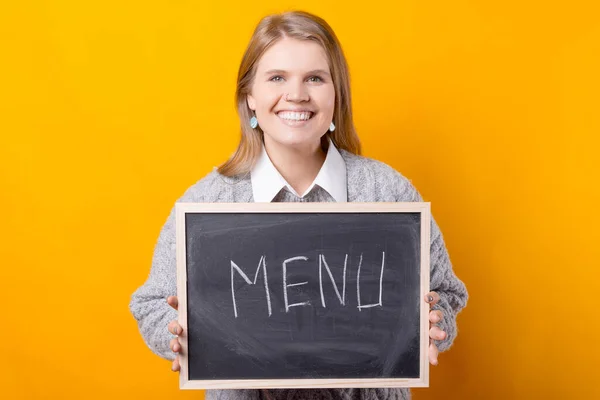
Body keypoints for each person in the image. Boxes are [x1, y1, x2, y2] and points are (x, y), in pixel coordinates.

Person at [129, 10, 468, 400]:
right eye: (277, 78)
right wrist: (176, 333)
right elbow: (152, 303)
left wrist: (434, 323)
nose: (297, 94)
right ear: (249, 97)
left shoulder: (387, 191)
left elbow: (446, 294)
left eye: (315, 78)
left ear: (335, 94)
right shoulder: (208, 202)